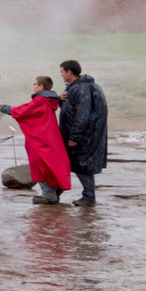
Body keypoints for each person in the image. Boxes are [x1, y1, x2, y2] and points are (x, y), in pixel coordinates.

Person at [58, 60, 108, 206]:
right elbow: (70, 108)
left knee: (82, 165)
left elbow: (82, 115)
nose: (61, 74)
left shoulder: (81, 89)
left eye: (62, 71)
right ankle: (59, 191)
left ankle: (89, 197)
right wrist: (60, 100)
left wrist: (74, 137)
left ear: (69, 72)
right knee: (75, 164)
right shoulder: (78, 87)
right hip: (84, 135)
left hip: (83, 137)